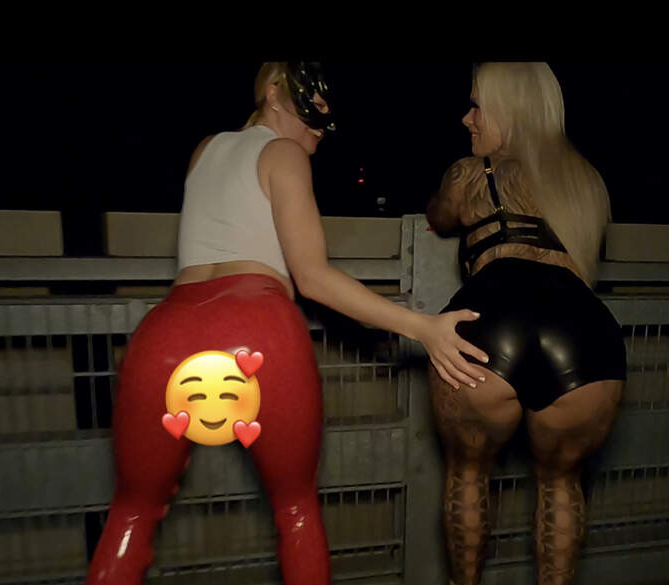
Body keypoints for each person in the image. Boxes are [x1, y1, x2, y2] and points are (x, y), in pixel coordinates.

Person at [86, 62, 488, 585]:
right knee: (295, 508)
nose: (320, 127)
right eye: (312, 112)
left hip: (166, 334)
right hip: (258, 328)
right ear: (275, 93)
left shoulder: (205, 149)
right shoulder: (284, 154)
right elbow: (312, 277)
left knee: (132, 512)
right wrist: (423, 327)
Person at [426, 62, 627, 585]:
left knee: (468, 473)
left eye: (477, 106)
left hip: (492, 319)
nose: (467, 119)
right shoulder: (586, 179)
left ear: (510, 110)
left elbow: (439, 217)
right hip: (583, 333)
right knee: (562, 483)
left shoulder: (470, 173)